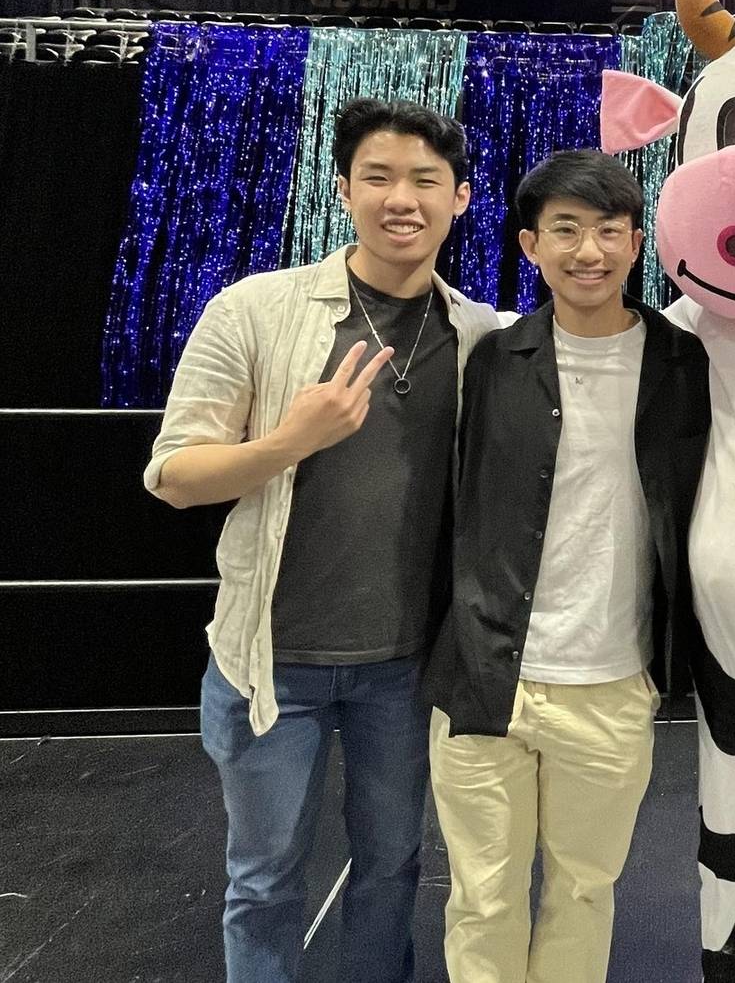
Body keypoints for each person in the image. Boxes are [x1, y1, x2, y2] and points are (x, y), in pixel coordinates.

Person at [144, 97, 502, 982]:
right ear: (342, 189)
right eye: (378, 177)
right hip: (271, 663)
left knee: (392, 869)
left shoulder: (482, 336)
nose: (401, 198)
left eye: (425, 180)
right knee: (264, 881)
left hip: (408, 669)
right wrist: (290, 441)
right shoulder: (256, 310)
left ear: (461, 197)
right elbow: (175, 475)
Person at [420, 148, 710, 983]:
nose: (590, 251)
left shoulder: (684, 364)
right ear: (530, 245)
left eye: (610, 231)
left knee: (584, 891)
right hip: (488, 678)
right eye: (567, 230)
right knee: (483, 898)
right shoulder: (489, 360)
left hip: (613, 684)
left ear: (637, 243)